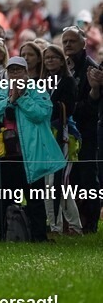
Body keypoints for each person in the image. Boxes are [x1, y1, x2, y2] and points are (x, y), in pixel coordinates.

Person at [0, 56, 66, 242]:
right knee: (2, 199)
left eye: (18, 70)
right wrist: (10, 100)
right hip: (5, 155)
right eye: (11, 70)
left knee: (35, 199)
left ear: (26, 72)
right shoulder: (1, 91)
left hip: (31, 156)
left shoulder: (37, 90)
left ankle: (39, 237)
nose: (15, 74)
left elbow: (41, 114)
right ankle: (4, 235)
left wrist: (22, 98)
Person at [61, 25, 100, 233]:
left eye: (72, 41)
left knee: (88, 179)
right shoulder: (63, 67)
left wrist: (68, 110)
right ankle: (74, 221)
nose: (68, 45)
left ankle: (91, 222)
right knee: (71, 178)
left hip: (86, 132)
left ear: (83, 43)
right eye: (65, 41)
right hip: (67, 132)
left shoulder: (90, 68)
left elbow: (92, 106)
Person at [42, 44, 81, 235]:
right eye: (47, 58)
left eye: (54, 57)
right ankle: (56, 224)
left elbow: (68, 108)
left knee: (59, 182)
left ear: (61, 60)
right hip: (45, 134)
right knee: (47, 183)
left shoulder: (68, 81)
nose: (50, 60)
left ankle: (70, 225)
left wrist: (47, 109)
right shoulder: (42, 81)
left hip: (63, 134)